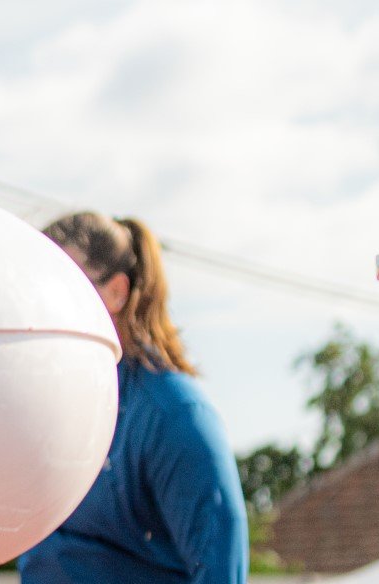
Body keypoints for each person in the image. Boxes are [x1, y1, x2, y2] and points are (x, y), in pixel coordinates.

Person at [20, 211, 248, 584]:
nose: (44, 305)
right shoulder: (47, 404)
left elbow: (220, 568)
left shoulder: (175, 414)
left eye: (66, 286)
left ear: (116, 292)